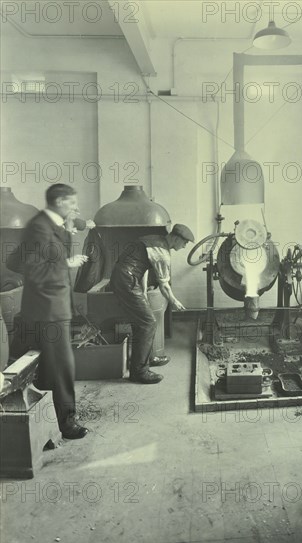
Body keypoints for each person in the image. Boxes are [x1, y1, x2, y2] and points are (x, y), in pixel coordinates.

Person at [13, 184, 89, 439]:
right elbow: (33, 270)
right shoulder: (39, 227)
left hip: (51, 308)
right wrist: (66, 263)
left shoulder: (53, 225)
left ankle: (42, 425)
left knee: (46, 369)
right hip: (49, 311)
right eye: (72, 202)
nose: (76, 207)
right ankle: (67, 424)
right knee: (62, 368)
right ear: (59, 202)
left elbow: (15, 261)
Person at [110, 224, 195, 384]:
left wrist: (142, 291)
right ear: (176, 238)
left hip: (124, 276)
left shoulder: (154, 240)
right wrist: (174, 301)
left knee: (140, 323)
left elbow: (144, 267)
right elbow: (164, 285)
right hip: (126, 279)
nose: (184, 247)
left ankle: (147, 358)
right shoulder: (162, 252)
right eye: (184, 243)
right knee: (148, 323)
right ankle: (139, 372)